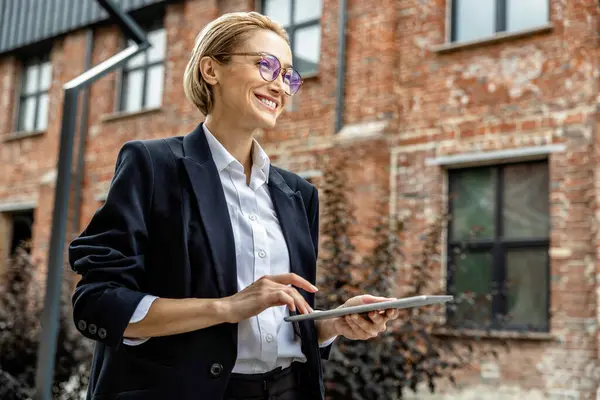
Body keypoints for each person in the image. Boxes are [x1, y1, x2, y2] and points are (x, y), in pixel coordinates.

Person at [69, 11, 399, 400]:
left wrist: (331, 324)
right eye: (267, 65)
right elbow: (97, 303)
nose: (280, 85)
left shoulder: (299, 194)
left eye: (288, 76)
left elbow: (282, 325)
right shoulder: (153, 166)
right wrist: (226, 308)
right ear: (212, 69)